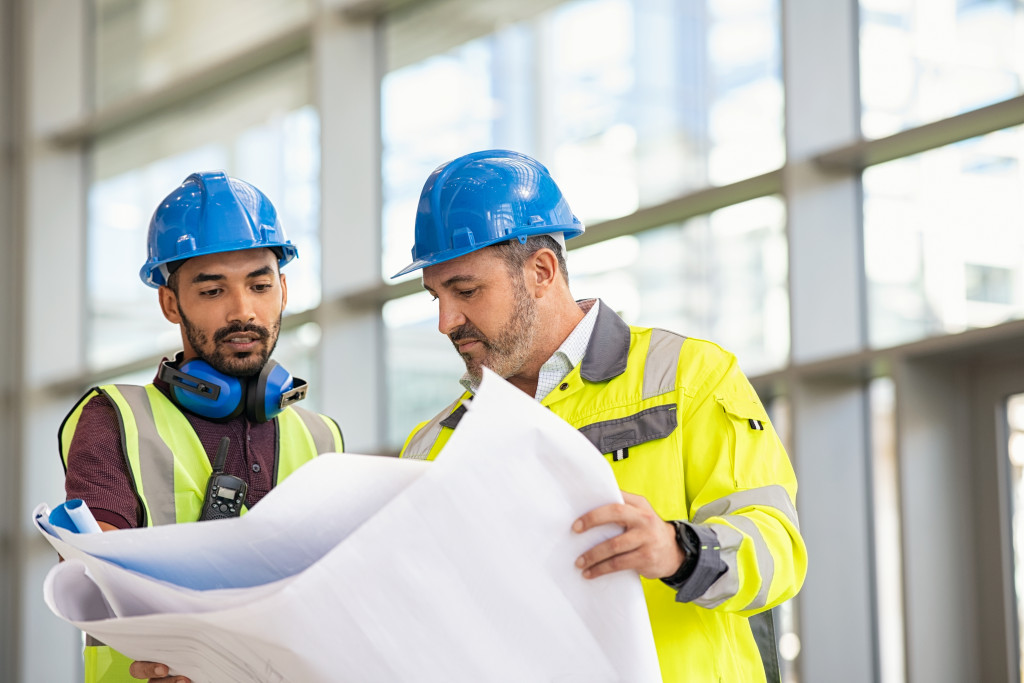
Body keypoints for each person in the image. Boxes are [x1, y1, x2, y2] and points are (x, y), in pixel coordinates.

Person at [395, 150, 807, 682]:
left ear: (541, 271)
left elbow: (778, 551)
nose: (447, 321)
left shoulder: (688, 377)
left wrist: (678, 550)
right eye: (436, 297)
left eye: (467, 291)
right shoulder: (431, 446)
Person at [59, 171, 343, 683]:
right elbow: (104, 584)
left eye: (260, 285)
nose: (243, 311)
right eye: (212, 290)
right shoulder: (116, 419)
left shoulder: (323, 438)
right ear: (171, 303)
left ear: (283, 289)